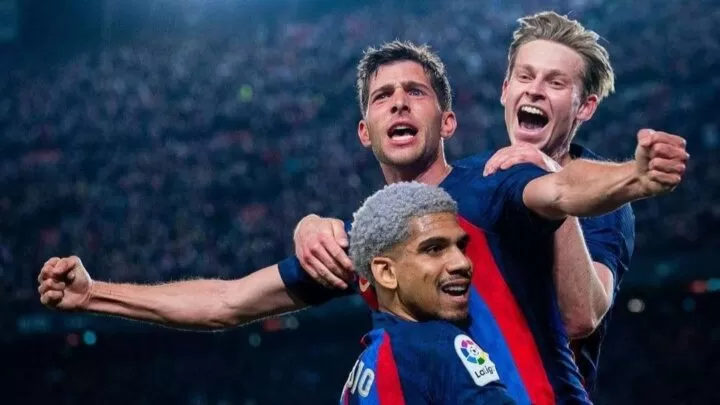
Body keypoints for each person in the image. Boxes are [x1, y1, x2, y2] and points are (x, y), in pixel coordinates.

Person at [38, 40, 688, 404]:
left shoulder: (493, 183)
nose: (399, 103)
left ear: (447, 121)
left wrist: (632, 176)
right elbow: (227, 301)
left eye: (415, 92)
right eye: (383, 96)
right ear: (364, 131)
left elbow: (563, 186)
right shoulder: (370, 241)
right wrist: (94, 295)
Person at [295, 12, 637, 393]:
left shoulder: (604, 201)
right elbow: (398, 229)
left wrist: (558, 185)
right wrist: (312, 226)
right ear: (506, 90)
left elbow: (581, 317)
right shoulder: (480, 178)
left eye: (555, 82)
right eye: (525, 76)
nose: (535, 91)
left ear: (585, 107)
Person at [339, 181, 514, 405]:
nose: (462, 262)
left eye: (461, 246)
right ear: (386, 272)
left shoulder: (359, 376)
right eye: (434, 249)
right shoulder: (438, 345)